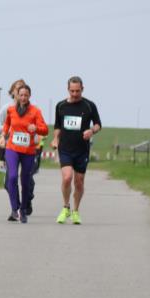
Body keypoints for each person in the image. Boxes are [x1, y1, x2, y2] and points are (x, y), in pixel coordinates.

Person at [52, 76, 102, 225]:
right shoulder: (60, 106)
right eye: (72, 91)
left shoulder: (89, 106)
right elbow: (57, 126)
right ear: (68, 89)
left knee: (79, 182)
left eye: (77, 91)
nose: (74, 94)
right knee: (67, 178)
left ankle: (75, 211)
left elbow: (98, 124)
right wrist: (55, 139)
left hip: (82, 150)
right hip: (65, 149)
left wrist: (91, 131)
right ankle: (65, 207)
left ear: (82, 89)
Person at [0, 83, 48, 223]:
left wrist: (36, 128)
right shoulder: (11, 110)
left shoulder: (35, 111)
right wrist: (3, 135)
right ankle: (15, 209)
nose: (23, 97)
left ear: (29, 96)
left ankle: (23, 210)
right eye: (21, 95)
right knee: (12, 177)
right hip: (12, 149)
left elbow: (45, 130)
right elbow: (7, 124)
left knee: (25, 181)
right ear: (16, 96)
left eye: (26, 95)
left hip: (28, 151)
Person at [0, 79, 24, 168]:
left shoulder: (31, 109)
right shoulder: (6, 108)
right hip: (9, 146)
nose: (19, 91)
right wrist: (9, 129)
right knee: (11, 176)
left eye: (22, 89)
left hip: (25, 148)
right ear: (12, 92)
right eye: (17, 89)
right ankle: (2, 161)